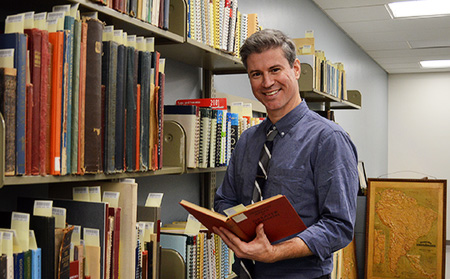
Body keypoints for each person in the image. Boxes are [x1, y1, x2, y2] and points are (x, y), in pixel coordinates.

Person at [213, 29, 359, 279]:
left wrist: (275, 252)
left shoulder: (329, 139)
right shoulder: (248, 139)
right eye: (256, 74)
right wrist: (234, 229)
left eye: (275, 70)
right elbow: (225, 200)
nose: (267, 83)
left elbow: (339, 227)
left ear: (296, 69)